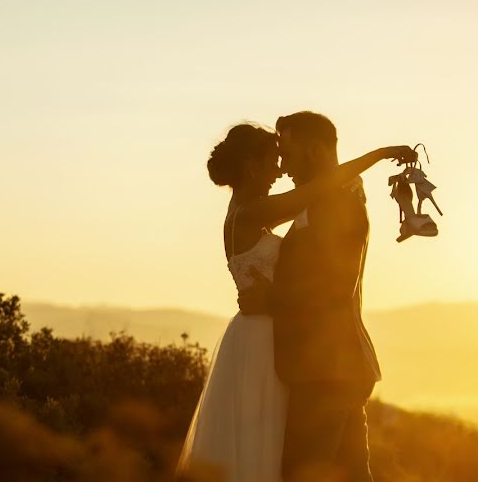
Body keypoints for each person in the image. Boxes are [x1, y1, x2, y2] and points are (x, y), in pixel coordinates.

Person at [176, 119, 414, 482]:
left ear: (314, 151)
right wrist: (378, 157)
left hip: (316, 365)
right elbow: (321, 189)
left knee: (309, 467)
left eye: (284, 155)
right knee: (298, 463)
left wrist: (270, 301)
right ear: (252, 167)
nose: (281, 168)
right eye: (276, 158)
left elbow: (330, 285)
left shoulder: (320, 206)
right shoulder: (254, 212)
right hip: (281, 354)